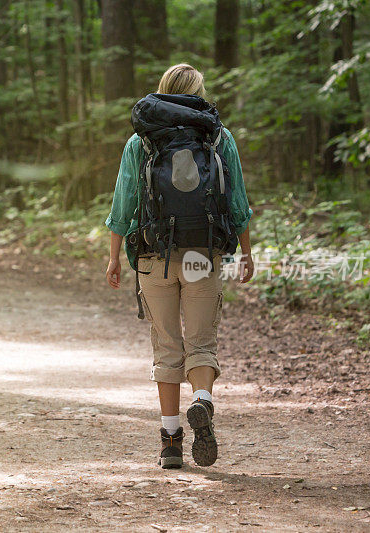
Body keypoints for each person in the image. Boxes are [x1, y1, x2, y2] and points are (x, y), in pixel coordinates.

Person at [104, 64, 254, 469]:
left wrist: (114, 255)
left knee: (167, 345)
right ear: (199, 92)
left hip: (154, 256)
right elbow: (236, 201)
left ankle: (170, 443)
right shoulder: (219, 137)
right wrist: (245, 251)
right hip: (202, 254)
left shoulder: (141, 141)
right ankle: (202, 401)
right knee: (201, 343)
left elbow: (124, 204)